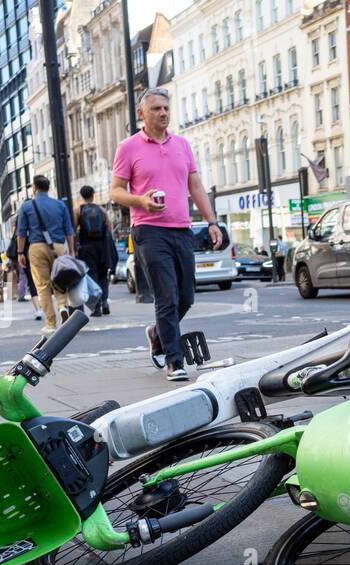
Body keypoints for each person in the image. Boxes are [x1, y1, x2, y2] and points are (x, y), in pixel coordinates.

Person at [112, 86, 223, 381]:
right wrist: (141, 201)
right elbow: (116, 191)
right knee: (166, 296)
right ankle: (175, 361)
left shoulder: (182, 145)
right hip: (148, 230)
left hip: (182, 228)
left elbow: (195, 186)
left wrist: (212, 222)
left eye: (165, 108)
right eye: (155, 109)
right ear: (141, 114)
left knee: (186, 297)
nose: (162, 113)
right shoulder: (129, 147)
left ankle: (157, 334)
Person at [16, 174, 75, 331]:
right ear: (48, 188)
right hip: (59, 246)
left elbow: (21, 233)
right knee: (60, 279)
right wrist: (72, 250)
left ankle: (50, 322)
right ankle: (62, 306)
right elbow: (69, 230)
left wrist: (20, 252)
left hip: (37, 247)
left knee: (42, 285)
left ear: (34, 187)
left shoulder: (27, 206)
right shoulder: (60, 205)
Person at [75, 185, 116, 315]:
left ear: (82, 196)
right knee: (103, 275)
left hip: (86, 248)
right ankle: (105, 302)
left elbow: (74, 229)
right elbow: (109, 228)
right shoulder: (101, 210)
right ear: (93, 195)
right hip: (102, 247)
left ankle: (96, 306)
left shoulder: (78, 210)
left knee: (91, 276)